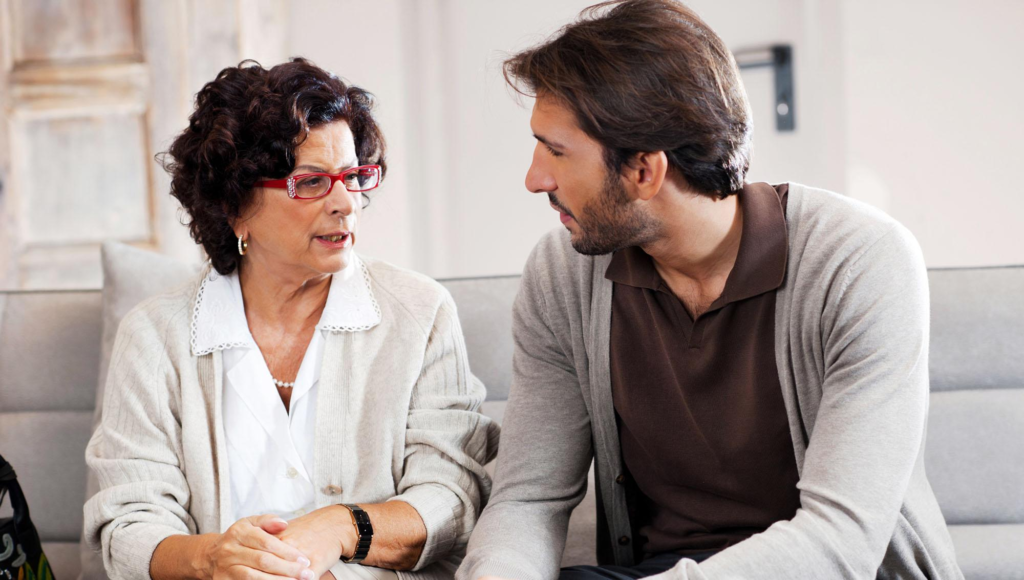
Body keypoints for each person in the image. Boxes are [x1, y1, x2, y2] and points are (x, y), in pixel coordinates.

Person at [457, 1, 962, 579]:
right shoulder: (563, 275)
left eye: (556, 150)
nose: (534, 178)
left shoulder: (859, 261)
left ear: (644, 171)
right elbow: (529, 498)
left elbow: (841, 540)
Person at [84, 58, 499, 580]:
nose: (347, 203)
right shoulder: (152, 336)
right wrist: (214, 559)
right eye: (311, 182)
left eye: (354, 177)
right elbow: (130, 520)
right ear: (234, 203)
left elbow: (450, 496)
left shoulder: (420, 313)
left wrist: (340, 529)